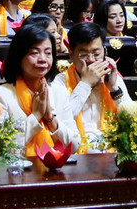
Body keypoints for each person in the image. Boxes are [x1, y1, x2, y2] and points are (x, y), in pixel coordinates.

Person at [0, 23, 73, 154]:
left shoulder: (59, 91)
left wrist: (50, 118)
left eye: (48, 53)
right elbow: (0, 148)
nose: (43, 59)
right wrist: (36, 116)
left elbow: (75, 145)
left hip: (57, 170)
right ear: (19, 57)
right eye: (34, 53)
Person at [50, 21, 126, 152]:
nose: (91, 60)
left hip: (112, 153)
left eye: (96, 54)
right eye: (83, 55)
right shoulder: (59, 83)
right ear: (71, 54)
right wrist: (85, 84)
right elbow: (61, 121)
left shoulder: (113, 78)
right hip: (76, 156)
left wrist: (114, 89)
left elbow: (133, 121)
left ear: (104, 51)